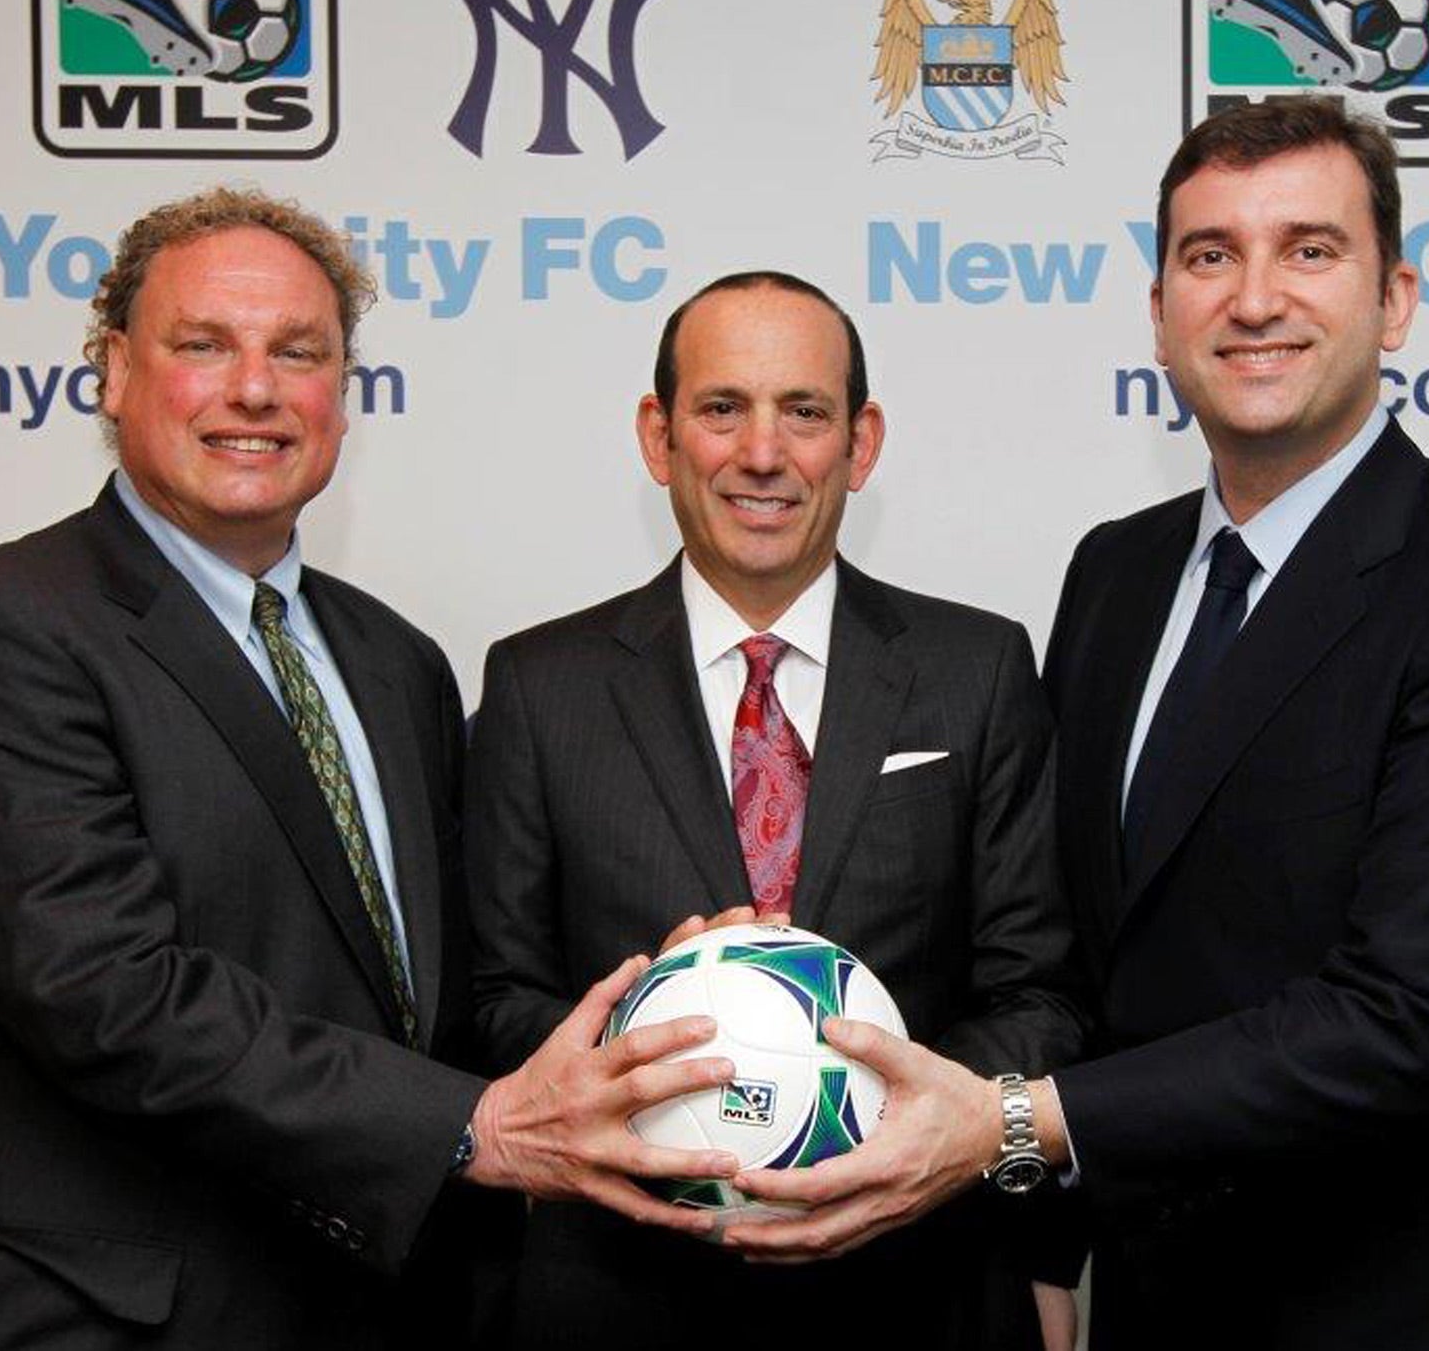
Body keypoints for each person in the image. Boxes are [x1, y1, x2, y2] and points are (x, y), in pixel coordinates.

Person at [725, 98, 1429, 1351]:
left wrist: (1005, 1125)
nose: (1253, 298)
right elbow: (1084, 960)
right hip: (1159, 1303)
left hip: (1419, 1309)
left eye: (1309, 249)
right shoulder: (1117, 575)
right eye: (1209, 255)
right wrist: (1037, 1245)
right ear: (1157, 311)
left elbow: (1409, 1016)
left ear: (1396, 299)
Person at [0, 188, 738, 1351]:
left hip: (360, 1307)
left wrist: (664, 1006)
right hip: (101, 1318)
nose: (256, 389)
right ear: (113, 371)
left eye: (299, 351)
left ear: (343, 393)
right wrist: (470, 1126)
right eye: (202, 345)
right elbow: (107, 994)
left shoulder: (395, 663)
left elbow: (433, 998)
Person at [465, 270, 1084, 1348]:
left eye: (803, 411)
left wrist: (872, 1103)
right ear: (658, 437)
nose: (762, 453)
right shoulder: (536, 684)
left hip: (915, 1283)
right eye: (721, 409)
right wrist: (644, 1036)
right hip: (622, 1293)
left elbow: (1038, 986)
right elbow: (494, 993)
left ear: (861, 440)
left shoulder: (974, 668)